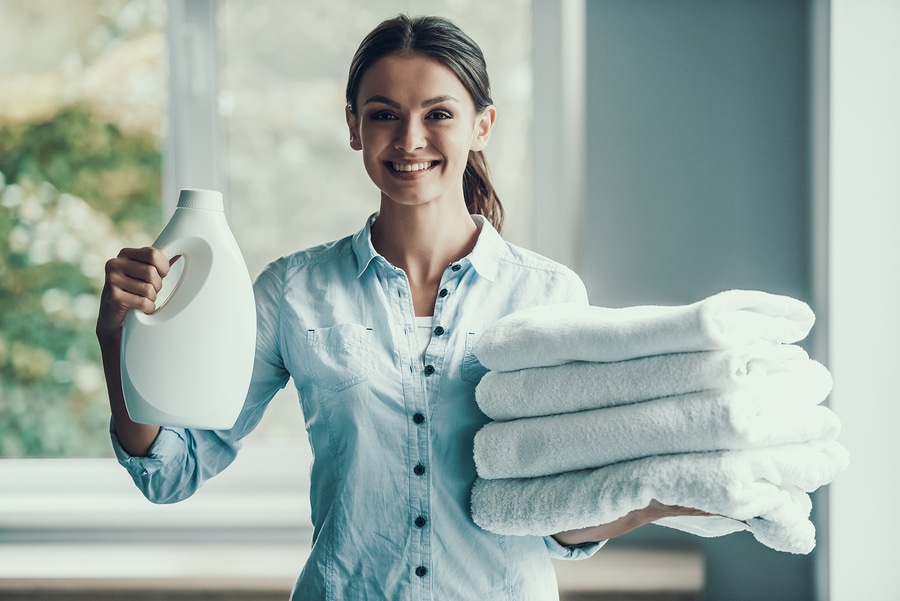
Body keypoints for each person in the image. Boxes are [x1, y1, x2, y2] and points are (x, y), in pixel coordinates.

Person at [97, 14, 703, 601]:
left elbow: (556, 517)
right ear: (355, 127)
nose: (410, 139)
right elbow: (173, 471)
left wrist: (657, 494)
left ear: (482, 126)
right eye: (383, 114)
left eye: (438, 114)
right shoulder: (293, 292)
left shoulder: (547, 296)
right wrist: (119, 341)